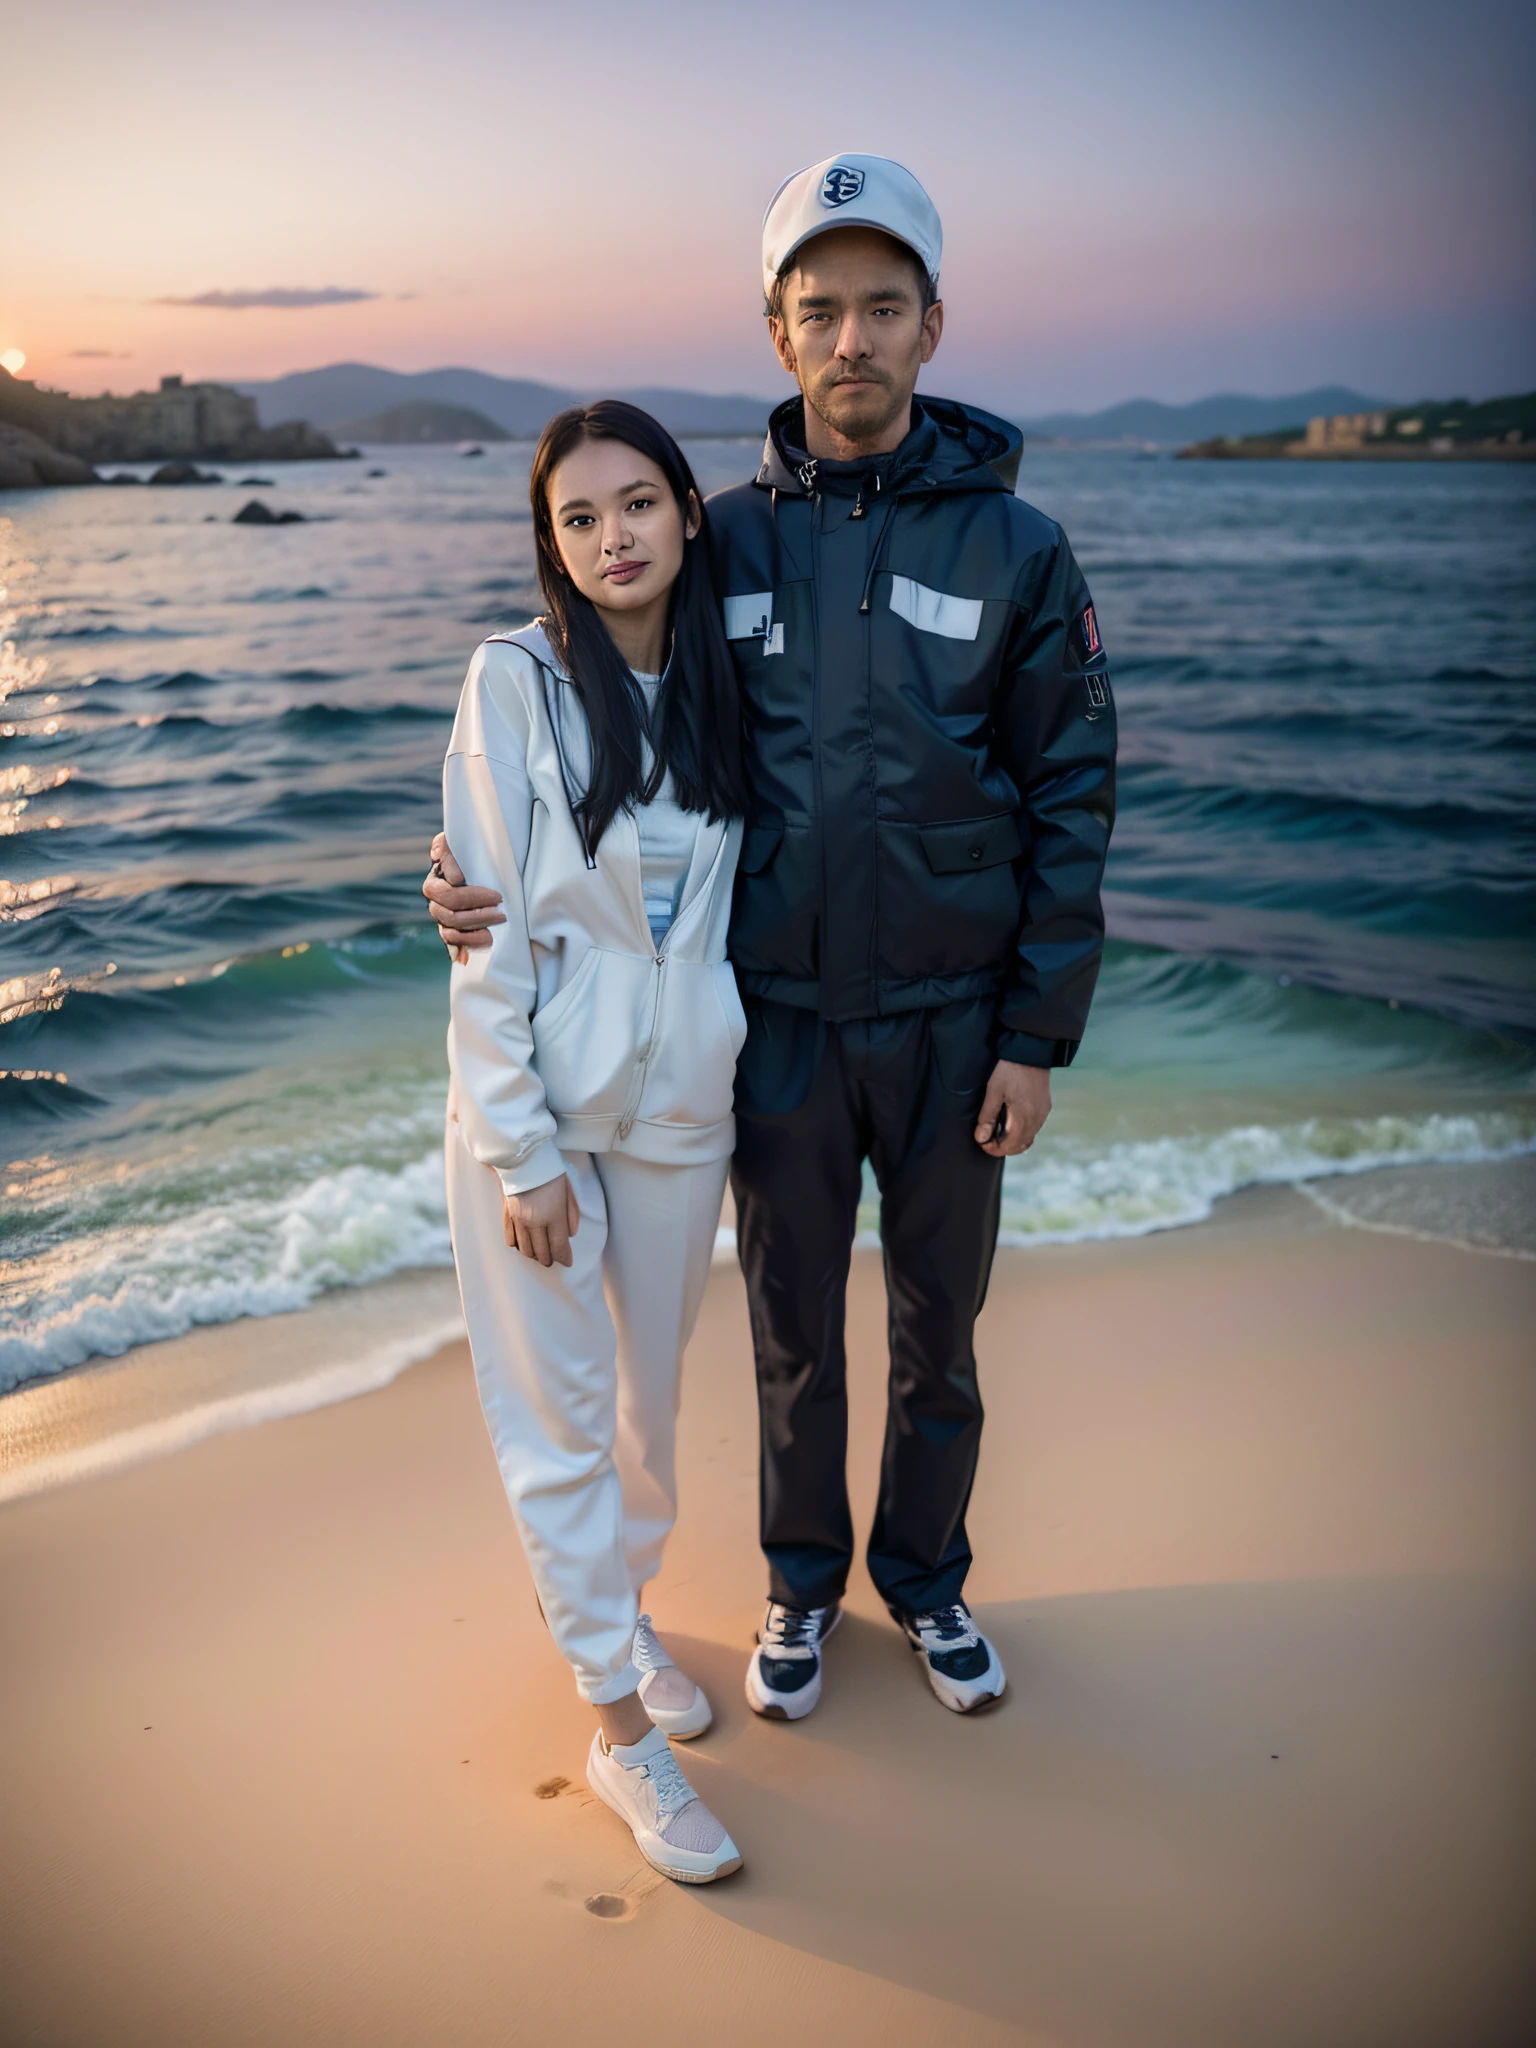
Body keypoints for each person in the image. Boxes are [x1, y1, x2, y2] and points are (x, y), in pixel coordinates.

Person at [428, 155, 1116, 1728]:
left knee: (943, 1334)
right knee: (791, 1331)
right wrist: (464, 860)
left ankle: (927, 1586)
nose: (853, 338)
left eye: (883, 308)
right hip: (776, 1022)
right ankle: (800, 1590)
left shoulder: (1020, 550)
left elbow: (1076, 794)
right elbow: (587, 705)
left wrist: (1036, 1031)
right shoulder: (720, 538)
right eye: (822, 311)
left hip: (956, 1027)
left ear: (933, 326)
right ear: (775, 331)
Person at [441, 399, 749, 1883]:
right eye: (579, 517)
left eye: (637, 503)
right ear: (550, 543)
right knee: (561, 1426)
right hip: (546, 1114)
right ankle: (620, 1734)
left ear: (689, 510)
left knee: (650, 1409)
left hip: (683, 1105)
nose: (612, 537)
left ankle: (625, 1611)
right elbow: (484, 936)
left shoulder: (731, 677)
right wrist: (518, 1153)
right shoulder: (514, 681)